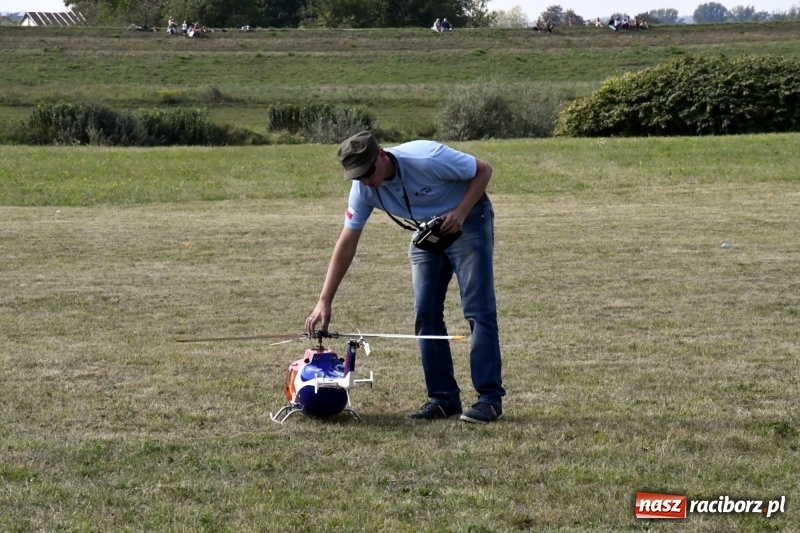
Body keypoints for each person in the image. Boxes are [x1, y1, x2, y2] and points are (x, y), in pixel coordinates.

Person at [305, 131, 505, 424]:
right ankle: (443, 399)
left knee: (477, 309)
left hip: (469, 220)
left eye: (368, 171)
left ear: (382, 154)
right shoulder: (363, 189)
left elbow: (483, 170)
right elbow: (347, 242)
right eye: (357, 176)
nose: (366, 181)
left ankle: (489, 400)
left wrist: (461, 212)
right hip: (428, 230)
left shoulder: (427, 157)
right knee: (425, 314)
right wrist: (325, 300)